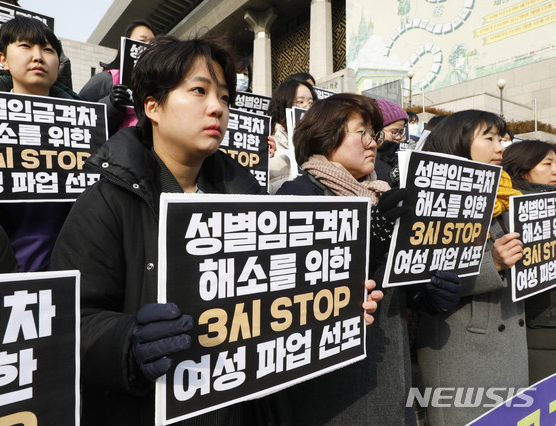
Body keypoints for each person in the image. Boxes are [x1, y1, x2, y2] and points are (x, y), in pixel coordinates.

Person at [51, 34, 382, 425]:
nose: (217, 108)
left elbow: (277, 299)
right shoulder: (107, 202)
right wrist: (128, 344)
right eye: (199, 91)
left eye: (225, 98)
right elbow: (67, 324)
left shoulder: (249, 198)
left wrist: (331, 303)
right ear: (152, 106)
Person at [276, 93, 460, 425]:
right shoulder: (297, 195)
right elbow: (297, 296)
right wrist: (371, 239)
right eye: (361, 132)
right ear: (325, 134)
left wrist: (427, 289)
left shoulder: (381, 194)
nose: (373, 142)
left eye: (374, 133)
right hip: (334, 389)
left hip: (391, 370)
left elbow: (395, 286)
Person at [420, 110, 527, 425]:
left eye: (502, 139)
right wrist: (492, 263)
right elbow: (424, 278)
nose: (501, 148)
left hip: (511, 342)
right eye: (490, 139)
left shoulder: (509, 196)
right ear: (458, 142)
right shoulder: (432, 199)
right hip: (461, 347)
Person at [0, 16, 80, 272]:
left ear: (58, 65)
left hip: (73, 274)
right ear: (2, 59)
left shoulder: (84, 128)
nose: (38, 56)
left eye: (48, 50)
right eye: (25, 46)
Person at [502, 140, 556, 384]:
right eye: (547, 164)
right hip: (538, 330)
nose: (555, 170)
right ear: (522, 169)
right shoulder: (506, 212)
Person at [79, 20, 156, 137]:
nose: (148, 48)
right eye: (142, 41)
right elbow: (80, 121)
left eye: (153, 44)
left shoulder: (160, 86)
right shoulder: (105, 79)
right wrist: (111, 104)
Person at [266, 78, 318, 194]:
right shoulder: (268, 141)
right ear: (283, 104)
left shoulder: (317, 143)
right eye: (300, 102)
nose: (307, 107)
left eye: (311, 102)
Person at [374, 98, 408, 184]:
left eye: (401, 132)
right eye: (394, 132)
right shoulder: (369, 162)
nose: (398, 137)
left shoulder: (397, 157)